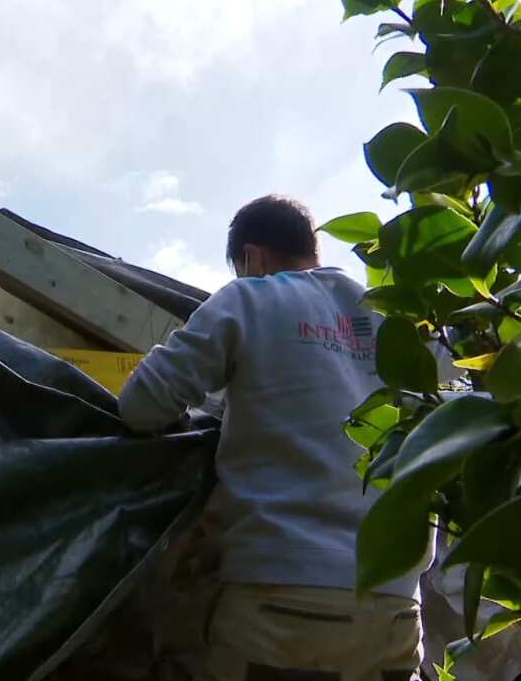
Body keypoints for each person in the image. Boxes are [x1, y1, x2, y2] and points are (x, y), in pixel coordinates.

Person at [118, 195, 427, 681]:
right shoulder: (393, 320)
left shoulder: (251, 298)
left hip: (282, 602)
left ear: (252, 256)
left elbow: (142, 405)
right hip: (398, 608)